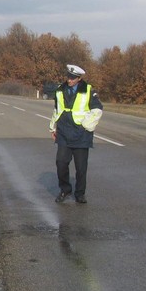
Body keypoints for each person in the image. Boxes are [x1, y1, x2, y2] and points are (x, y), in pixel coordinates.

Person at [49, 64, 103, 204]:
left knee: (81, 168)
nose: (69, 80)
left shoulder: (88, 90)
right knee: (61, 163)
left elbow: (97, 110)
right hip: (63, 133)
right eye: (68, 77)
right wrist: (52, 128)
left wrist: (86, 126)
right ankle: (65, 189)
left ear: (79, 78)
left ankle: (80, 194)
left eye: (73, 78)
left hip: (81, 134)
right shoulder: (60, 90)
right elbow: (57, 109)